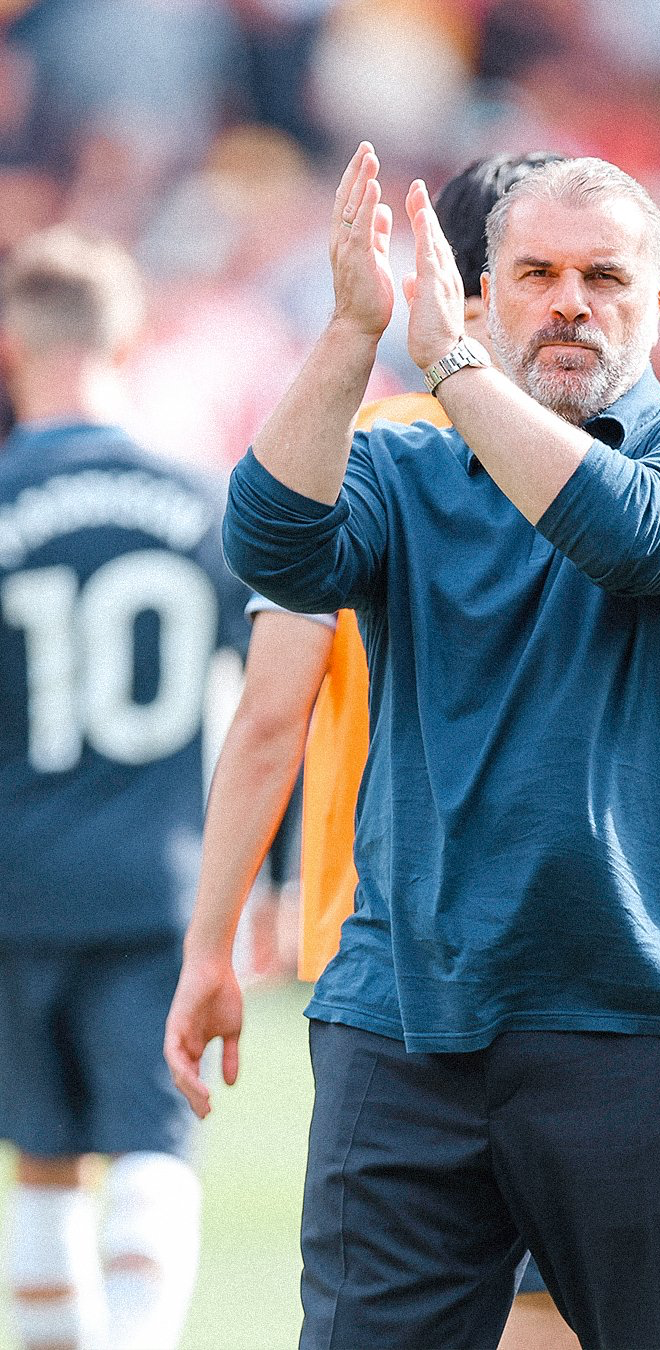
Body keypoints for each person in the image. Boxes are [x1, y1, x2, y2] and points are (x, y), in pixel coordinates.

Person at [217, 142, 660, 1348]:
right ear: (484, 291)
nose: (571, 301)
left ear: (659, 305)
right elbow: (272, 546)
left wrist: (457, 369)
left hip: (643, 1020)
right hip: (404, 1020)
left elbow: (627, 534)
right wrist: (348, 336)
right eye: (535, 273)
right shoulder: (402, 459)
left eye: (604, 276)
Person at [166, 150, 586, 1350]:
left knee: (395, 1296)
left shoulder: (361, 454)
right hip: (577, 940)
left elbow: (268, 722)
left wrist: (211, 943)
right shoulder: (604, 457)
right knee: (547, 1295)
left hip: (385, 945)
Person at [0, 227, 249, 1350]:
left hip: (14, 880)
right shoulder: (202, 505)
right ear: (131, 335)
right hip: (159, 879)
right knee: (152, 1147)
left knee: (42, 1158)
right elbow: (266, 701)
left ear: (13, 345)